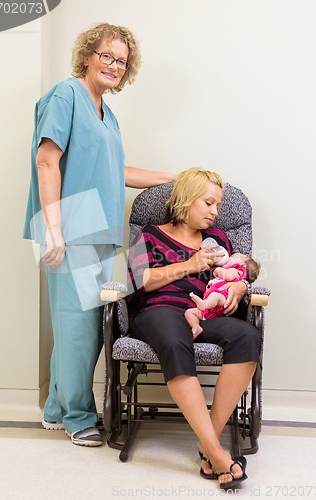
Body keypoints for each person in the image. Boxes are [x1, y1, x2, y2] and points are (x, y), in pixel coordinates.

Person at [23, 22, 174, 447]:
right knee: (78, 327)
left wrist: (174, 176)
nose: (113, 65)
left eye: (121, 61)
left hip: (96, 228)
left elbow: (117, 170)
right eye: (106, 55)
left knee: (87, 323)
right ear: (88, 55)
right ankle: (77, 415)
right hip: (68, 225)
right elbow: (47, 161)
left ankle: (56, 409)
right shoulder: (66, 95)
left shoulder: (108, 113)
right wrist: (54, 230)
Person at [127, 167, 260, 489]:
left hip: (205, 312)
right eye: (208, 203)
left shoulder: (220, 241)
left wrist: (240, 287)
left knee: (247, 336)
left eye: (218, 205)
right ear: (187, 200)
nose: (215, 213)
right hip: (159, 309)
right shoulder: (148, 234)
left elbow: (240, 269)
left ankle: (207, 442)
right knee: (175, 340)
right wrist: (189, 265)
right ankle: (216, 451)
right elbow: (138, 280)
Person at [185, 252, 260, 337]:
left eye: (232, 256)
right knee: (189, 312)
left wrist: (218, 270)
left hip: (222, 297)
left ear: (241, 265)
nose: (229, 257)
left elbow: (229, 276)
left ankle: (204, 304)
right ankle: (196, 327)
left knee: (215, 295)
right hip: (210, 311)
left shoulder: (236, 272)